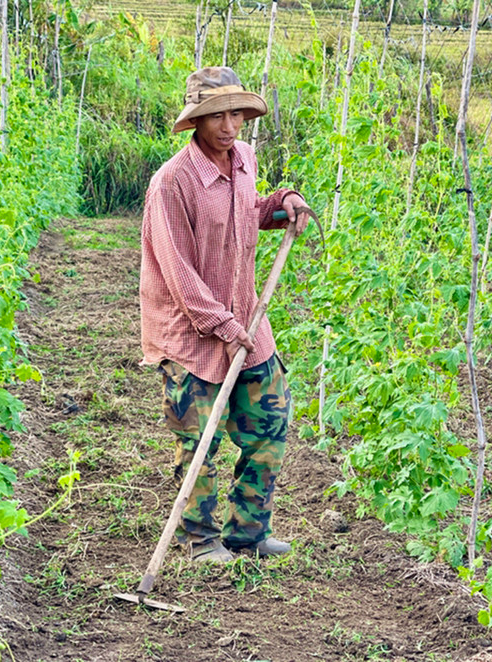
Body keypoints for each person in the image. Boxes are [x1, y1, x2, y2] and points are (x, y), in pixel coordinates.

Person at [139, 66, 310, 564]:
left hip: (245, 318)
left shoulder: (245, 160)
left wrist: (283, 205)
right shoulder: (171, 183)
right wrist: (226, 328)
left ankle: (247, 533)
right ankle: (200, 539)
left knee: (270, 419)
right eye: (216, 115)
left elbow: (246, 212)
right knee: (198, 441)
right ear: (196, 120)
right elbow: (178, 273)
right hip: (191, 332)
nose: (229, 125)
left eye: (236, 113)